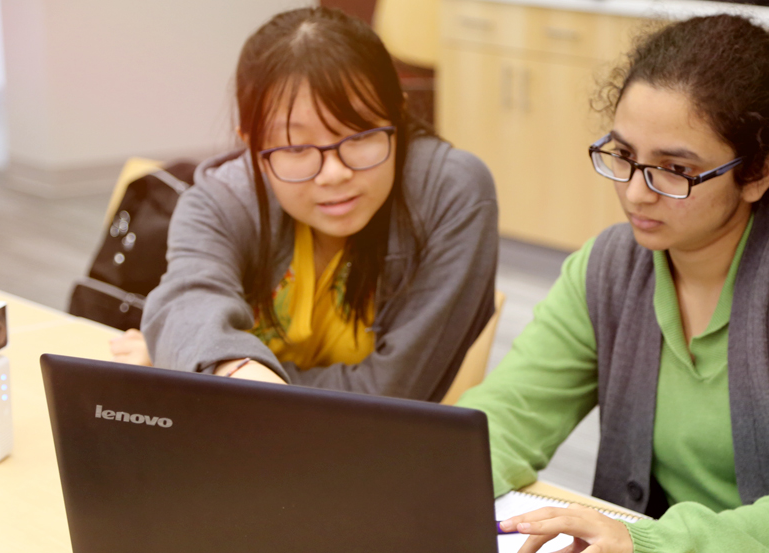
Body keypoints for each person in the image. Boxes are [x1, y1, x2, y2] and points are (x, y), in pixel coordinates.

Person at [457, 14, 769, 553]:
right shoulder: (610, 268)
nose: (637, 194)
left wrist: (655, 542)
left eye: (674, 169)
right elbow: (506, 417)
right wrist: (427, 477)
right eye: (623, 156)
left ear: (760, 173)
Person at [112, 7, 498, 400]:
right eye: (296, 146)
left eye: (360, 135)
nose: (333, 173)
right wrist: (209, 360)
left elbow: (393, 394)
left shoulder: (449, 192)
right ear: (250, 142)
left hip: (372, 451)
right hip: (241, 440)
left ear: (398, 112)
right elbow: (187, 303)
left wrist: (210, 367)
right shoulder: (222, 200)